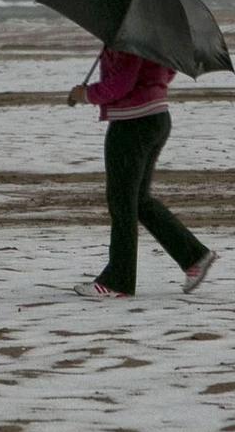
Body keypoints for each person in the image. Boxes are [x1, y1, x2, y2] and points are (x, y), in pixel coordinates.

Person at [67, 48, 216, 298]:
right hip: (156, 118)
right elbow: (168, 71)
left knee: (122, 202)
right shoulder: (151, 36)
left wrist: (86, 94)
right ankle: (194, 257)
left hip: (132, 122)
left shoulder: (127, 42)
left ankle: (117, 281)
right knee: (139, 201)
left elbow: (121, 84)